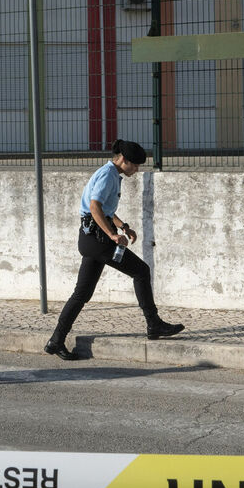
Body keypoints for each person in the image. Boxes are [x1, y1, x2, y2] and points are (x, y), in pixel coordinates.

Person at [45, 139, 184, 360]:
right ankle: (154, 324)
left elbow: (106, 210)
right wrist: (112, 235)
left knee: (81, 294)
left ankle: (56, 341)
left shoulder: (111, 174)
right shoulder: (108, 175)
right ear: (124, 160)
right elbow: (94, 206)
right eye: (135, 165)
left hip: (91, 239)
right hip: (99, 240)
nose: (137, 170)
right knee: (141, 271)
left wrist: (123, 226)